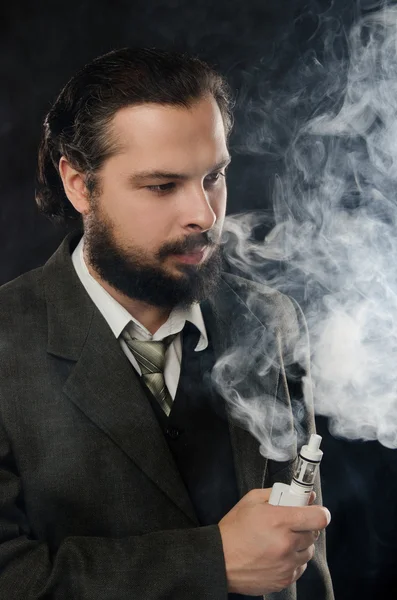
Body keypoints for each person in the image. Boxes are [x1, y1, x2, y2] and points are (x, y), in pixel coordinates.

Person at [0, 48, 333, 600]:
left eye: (215, 176)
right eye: (161, 186)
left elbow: (302, 560)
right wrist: (212, 562)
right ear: (79, 185)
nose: (204, 214)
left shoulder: (270, 320)